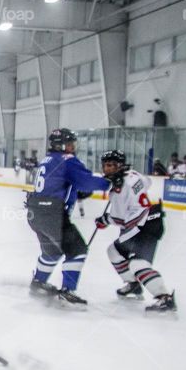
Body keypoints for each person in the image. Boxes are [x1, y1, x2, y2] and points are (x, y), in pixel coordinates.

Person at [25, 128, 110, 307]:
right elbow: (85, 181)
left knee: (52, 251)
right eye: (70, 144)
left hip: (36, 213)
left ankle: (38, 283)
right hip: (53, 215)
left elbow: (57, 184)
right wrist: (109, 182)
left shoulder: (46, 160)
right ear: (61, 145)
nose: (73, 147)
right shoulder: (67, 160)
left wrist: (74, 194)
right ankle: (68, 291)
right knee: (78, 249)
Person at [95, 150, 176, 313]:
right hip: (148, 220)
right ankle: (133, 284)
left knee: (138, 264)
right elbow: (147, 182)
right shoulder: (132, 173)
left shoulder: (119, 188)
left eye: (111, 165)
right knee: (114, 251)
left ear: (119, 166)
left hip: (145, 226)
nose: (107, 169)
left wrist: (104, 220)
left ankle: (164, 298)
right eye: (105, 165)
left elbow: (119, 218)